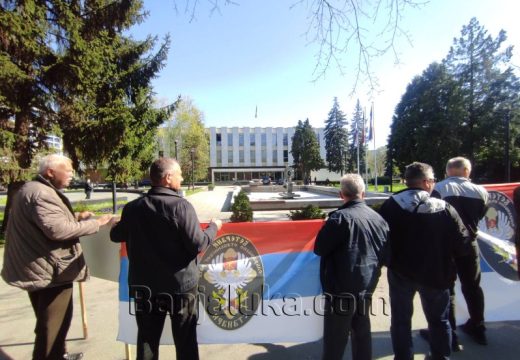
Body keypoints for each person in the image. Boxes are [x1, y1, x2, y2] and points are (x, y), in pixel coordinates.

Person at [1, 154, 113, 360]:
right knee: (52, 327)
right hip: (50, 271)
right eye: (68, 171)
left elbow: (46, 223)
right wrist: (97, 223)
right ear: (50, 172)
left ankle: (59, 354)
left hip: (38, 266)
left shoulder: (32, 189)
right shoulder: (42, 194)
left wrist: (77, 217)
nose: (72, 175)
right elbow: (58, 231)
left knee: (50, 322)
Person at [110, 157, 222, 360]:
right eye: (179, 173)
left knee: (147, 340)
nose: (182, 177)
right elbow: (198, 244)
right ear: (168, 177)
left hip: (144, 287)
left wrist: (117, 224)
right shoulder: (181, 207)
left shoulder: (133, 208)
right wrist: (214, 227)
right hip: (180, 288)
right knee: (185, 340)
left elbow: (116, 236)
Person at [379, 162, 471, 360]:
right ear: (426, 182)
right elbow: (463, 243)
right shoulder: (445, 208)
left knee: (401, 320)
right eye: (433, 180)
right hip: (436, 273)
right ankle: (441, 357)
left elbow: (380, 239)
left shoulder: (390, 205)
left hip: (401, 272)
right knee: (439, 321)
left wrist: (390, 260)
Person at [314, 174, 389, 360]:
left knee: (335, 339)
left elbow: (320, 248)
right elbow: (386, 254)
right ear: (362, 193)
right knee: (362, 332)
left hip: (340, 289)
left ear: (341, 195)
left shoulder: (339, 219)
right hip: (367, 285)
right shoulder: (379, 219)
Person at [428, 157, 489, 346]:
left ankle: (450, 332)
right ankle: (478, 326)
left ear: (447, 171)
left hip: (445, 245)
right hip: (469, 243)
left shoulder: (438, 188)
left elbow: (432, 213)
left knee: (447, 288)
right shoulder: (481, 191)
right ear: (467, 171)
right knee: (473, 286)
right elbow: (481, 215)